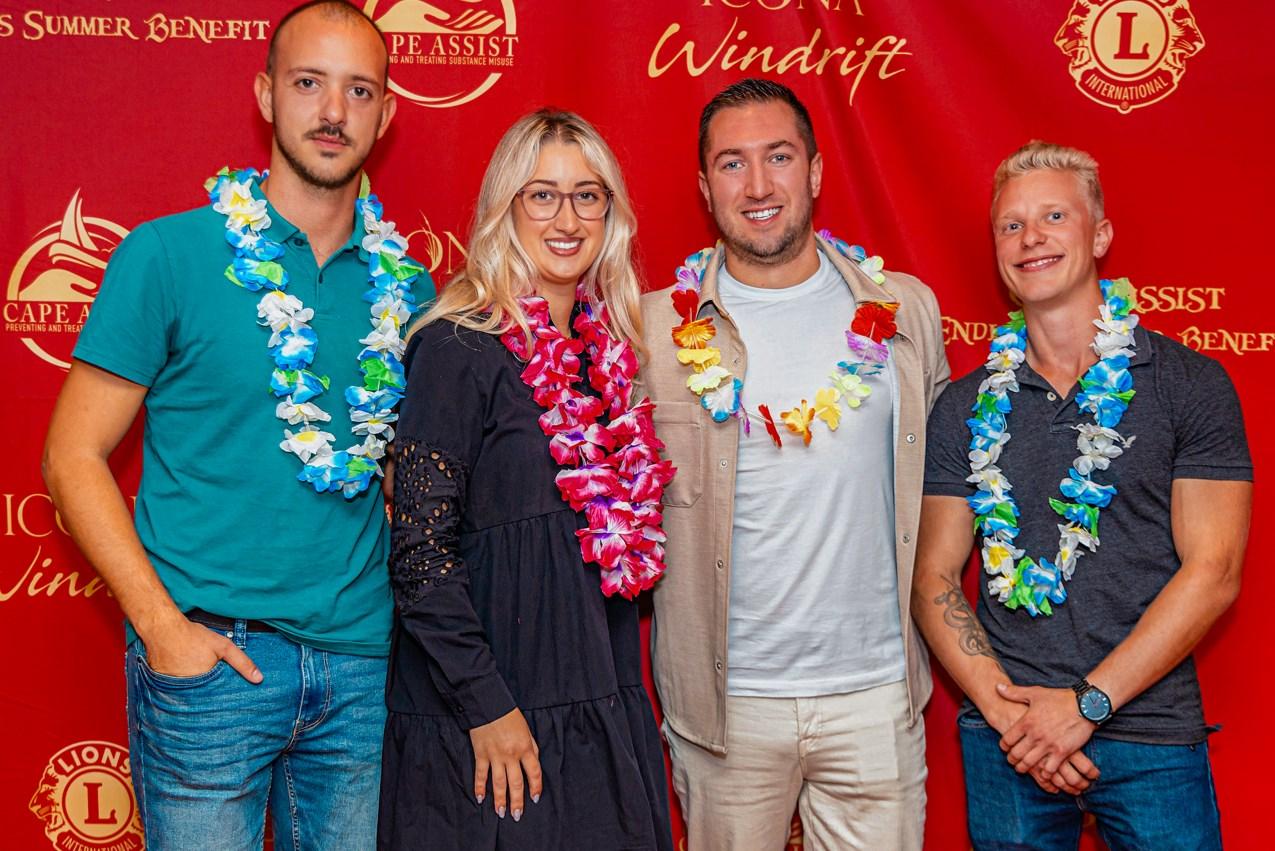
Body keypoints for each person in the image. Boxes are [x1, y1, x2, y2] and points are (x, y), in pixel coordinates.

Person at [41, 2, 431, 848]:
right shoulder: (167, 256)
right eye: (308, 83)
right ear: (265, 95)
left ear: (386, 113)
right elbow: (73, 455)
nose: (333, 111)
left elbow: (407, 477)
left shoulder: (408, 290)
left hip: (362, 668)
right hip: (208, 664)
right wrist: (162, 628)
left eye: (359, 90)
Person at [638, 78, 949, 850]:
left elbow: (944, 494)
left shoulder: (904, 310)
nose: (757, 185)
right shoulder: (650, 329)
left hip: (873, 695)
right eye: (732, 163)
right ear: (704, 186)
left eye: (777, 157)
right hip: (726, 708)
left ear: (812, 171)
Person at [915, 140, 1251, 850]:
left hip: (1149, 732)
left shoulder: (1188, 384)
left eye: (1053, 217)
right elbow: (933, 577)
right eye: (1010, 225)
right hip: (1008, 737)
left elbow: (1214, 571)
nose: (1030, 237)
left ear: (1099, 236)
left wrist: (1085, 705)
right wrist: (1013, 718)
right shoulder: (963, 406)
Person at [377, 109, 674, 851]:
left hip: (596, 705)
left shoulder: (607, 358)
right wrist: (486, 707)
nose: (567, 219)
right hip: (491, 722)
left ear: (610, 211)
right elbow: (420, 554)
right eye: (541, 195)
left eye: (587, 195)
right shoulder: (456, 347)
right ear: (504, 209)